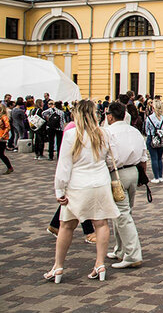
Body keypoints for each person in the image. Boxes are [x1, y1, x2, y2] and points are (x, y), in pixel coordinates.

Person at [45, 100, 120, 283]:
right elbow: (113, 158)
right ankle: (100, 263)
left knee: (66, 225)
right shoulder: (104, 133)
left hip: (78, 184)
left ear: (77, 115)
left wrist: (59, 190)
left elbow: (64, 165)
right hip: (100, 182)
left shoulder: (72, 134)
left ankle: (59, 266)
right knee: (101, 224)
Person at [104, 102, 146, 269]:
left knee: (122, 214)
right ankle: (120, 249)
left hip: (116, 174)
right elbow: (143, 156)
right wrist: (144, 176)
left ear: (110, 116)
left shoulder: (108, 132)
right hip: (133, 172)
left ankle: (133, 253)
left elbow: (105, 157)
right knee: (124, 211)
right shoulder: (134, 131)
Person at [144, 100, 163, 183]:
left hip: (152, 137)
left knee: (154, 158)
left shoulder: (149, 118)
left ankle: (156, 177)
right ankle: (160, 176)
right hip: (161, 138)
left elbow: (147, 129)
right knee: (159, 158)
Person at [0, 104, 12, 174]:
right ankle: (9, 167)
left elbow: (8, 127)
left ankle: (9, 167)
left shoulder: (4, 117)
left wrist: (3, 136)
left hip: (2, 138)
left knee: (1, 154)